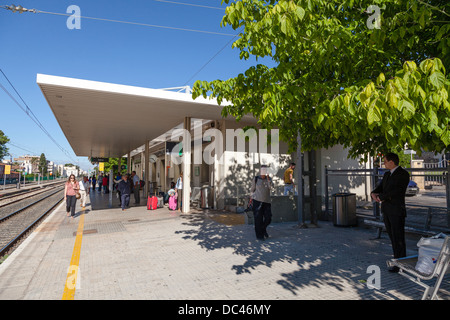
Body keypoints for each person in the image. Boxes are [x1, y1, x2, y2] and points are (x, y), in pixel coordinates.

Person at [371, 152, 410, 272]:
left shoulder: (403, 174)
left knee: (398, 238)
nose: (384, 163)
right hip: (387, 210)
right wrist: (374, 192)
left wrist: (381, 197)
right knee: (392, 237)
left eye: (385, 161)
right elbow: (381, 187)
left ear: (392, 162)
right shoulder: (387, 174)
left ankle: (401, 263)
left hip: (396, 210)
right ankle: (397, 261)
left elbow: (397, 191)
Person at [250, 165, 273, 240]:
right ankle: (259, 236)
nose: (263, 172)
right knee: (258, 219)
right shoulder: (256, 179)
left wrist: (268, 180)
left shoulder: (269, 179)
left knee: (268, 218)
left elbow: (271, 188)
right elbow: (252, 189)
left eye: (265, 170)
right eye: (262, 170)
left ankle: (263, 229)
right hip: (257, 201)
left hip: (267, 202)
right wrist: (251, 198)